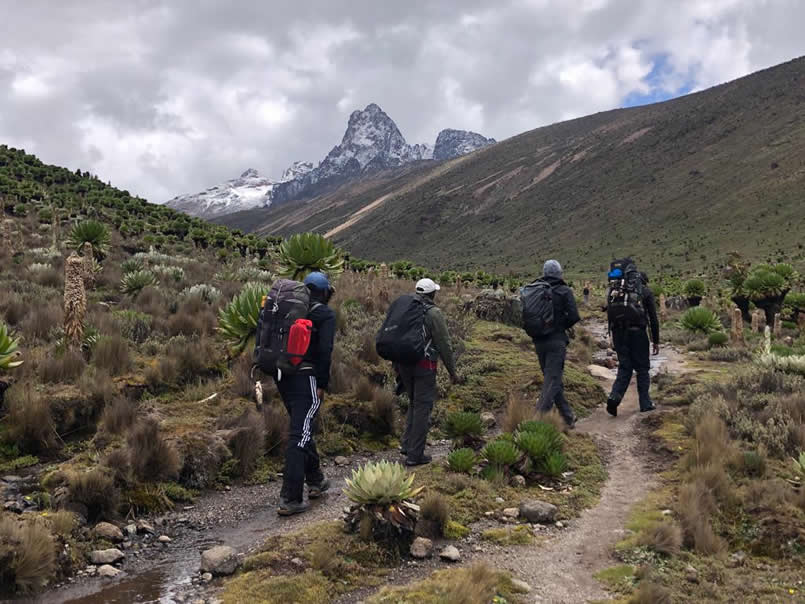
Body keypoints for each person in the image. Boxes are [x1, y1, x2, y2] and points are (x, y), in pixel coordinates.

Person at [276, 271, 336, 516]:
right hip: (306, 378)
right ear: (323, 292)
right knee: (299, 434)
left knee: (303, 426)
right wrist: (322, 384)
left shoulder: (286, 308)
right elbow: (325, 351)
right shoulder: (324, 314)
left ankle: (315, 480)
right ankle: (290, 498)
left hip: (282, 376)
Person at [398, 278, 459, 466]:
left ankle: (408, 445)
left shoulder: (405, 308)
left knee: (414, 403)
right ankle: (415, 455)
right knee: (423, 407)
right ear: (432, 294)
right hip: (424, 366)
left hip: (403, 364)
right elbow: (444, 344)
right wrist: (452, 372)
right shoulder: (434, 313)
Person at [529, 260, 581, 428]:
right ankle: (537, 421)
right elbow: (574, 316)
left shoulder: (535, 289)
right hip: (556, 341)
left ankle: (568, 417)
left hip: (538, 341)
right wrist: (560, 327)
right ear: (559, 273)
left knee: (552, 378)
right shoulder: (564, 290)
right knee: (552, 380)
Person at [606, 269, 660, 416]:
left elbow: (610, 315)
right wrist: (655, 340)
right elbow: (653, 319)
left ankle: (614, 397)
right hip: (638, 333)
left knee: (625, 367)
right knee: (642, 368)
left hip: (618, 333)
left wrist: (612, 336)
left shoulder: (615, 291)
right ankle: (645, 403)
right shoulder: (645, 292)